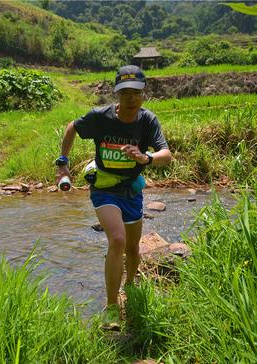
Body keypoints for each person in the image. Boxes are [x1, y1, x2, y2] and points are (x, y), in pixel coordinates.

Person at [55, 65, 172, 330]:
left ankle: (130, 285)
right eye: (125, 93)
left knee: (132, 249)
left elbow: (167, 154)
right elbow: (72, 127)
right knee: (117, 240)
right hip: (104, 189)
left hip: (131, 191)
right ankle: (110, 307)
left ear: (144, 94)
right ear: (117, 94)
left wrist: (146, 157)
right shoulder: (101, 117)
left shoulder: (147, 120)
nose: (131, 98)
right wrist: (63, 163)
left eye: (136, 93)